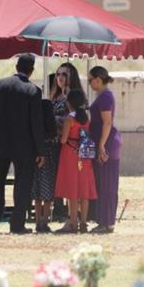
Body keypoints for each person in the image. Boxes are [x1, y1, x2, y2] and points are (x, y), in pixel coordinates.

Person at [0, 54, 44, 235]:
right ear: (31, 70)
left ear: (16, 66)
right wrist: (39, 149)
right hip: (24, 146)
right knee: (23, 184)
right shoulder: (33, 91)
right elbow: (36, 123)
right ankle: (17, 224)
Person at [54, 89, 98, 234]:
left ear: (70, 103)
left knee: (72, 190)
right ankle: (83, 223)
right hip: (84, 155)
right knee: (83, 191)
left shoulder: (69, 118)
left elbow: (64, 139)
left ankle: (73, 223)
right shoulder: (86, 118)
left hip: (70, 155)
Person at [88, 66, 122, 234]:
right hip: (103, 142)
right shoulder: (102, 96)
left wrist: (101, 145)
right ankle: (103, 220)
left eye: (90, 80)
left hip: (107, 144)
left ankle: (107, 222)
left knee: (107, 184)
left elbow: (107, 122)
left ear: (98, 80)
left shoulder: (105, 97)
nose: (89, 83)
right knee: (102, 183)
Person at [50, 62, 85, 222]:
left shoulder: (74, 97)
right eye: (58, 74)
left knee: (72, 178)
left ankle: (74, 216)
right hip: (54, 142)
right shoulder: (54, 95)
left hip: (71, 143)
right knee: (58, 177)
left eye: (64, 74)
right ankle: (59, 210)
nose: (60, 78)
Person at [31, 99, 59, 233]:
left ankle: (37, 221)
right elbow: (54, 135)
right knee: (48, 189)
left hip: (35, 153)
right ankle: (45, 221)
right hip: (49, 156)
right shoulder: (51, 128)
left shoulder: (34, 125)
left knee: (36, 191)